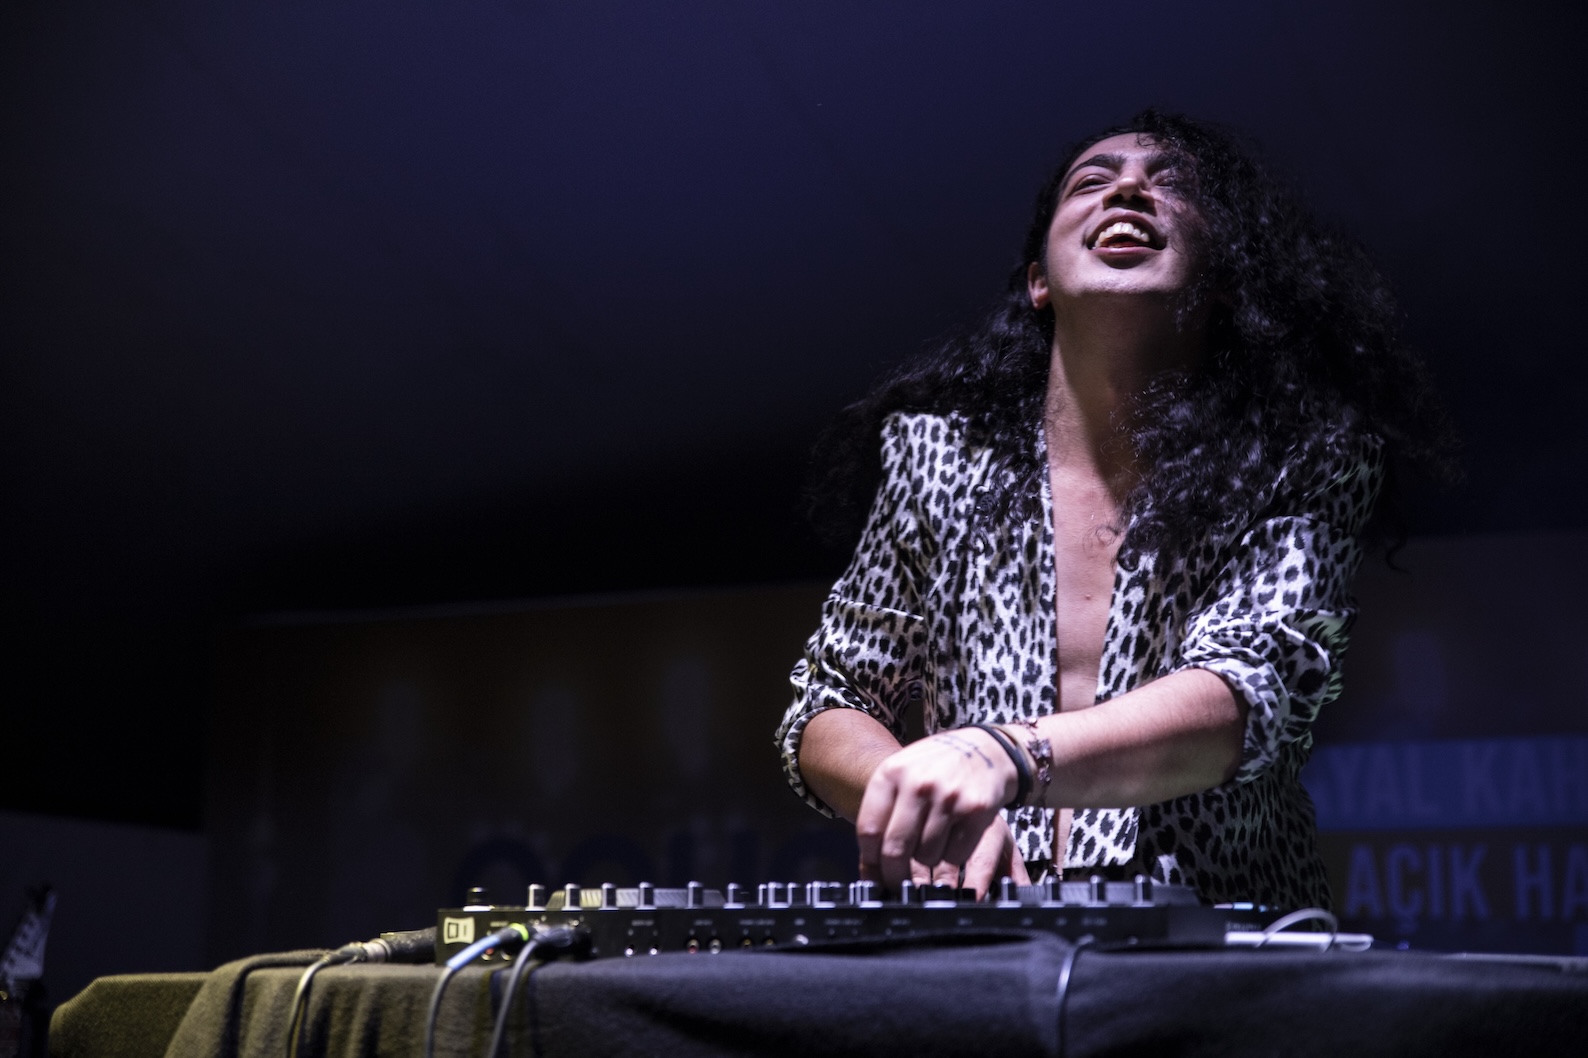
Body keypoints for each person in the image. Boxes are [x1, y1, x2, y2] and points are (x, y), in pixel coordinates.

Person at [774, 109, 1454, 911]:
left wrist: (1001, 755)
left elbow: (1246, 695)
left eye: (1172, 185)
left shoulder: (1305, 457)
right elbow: (830, 701)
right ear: (1038, 281)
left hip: (1222, 941)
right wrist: (919, 799)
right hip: (979, 938)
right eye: (1090, 182)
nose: (1128, 189)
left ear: (1225, 277)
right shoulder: (936, 457)